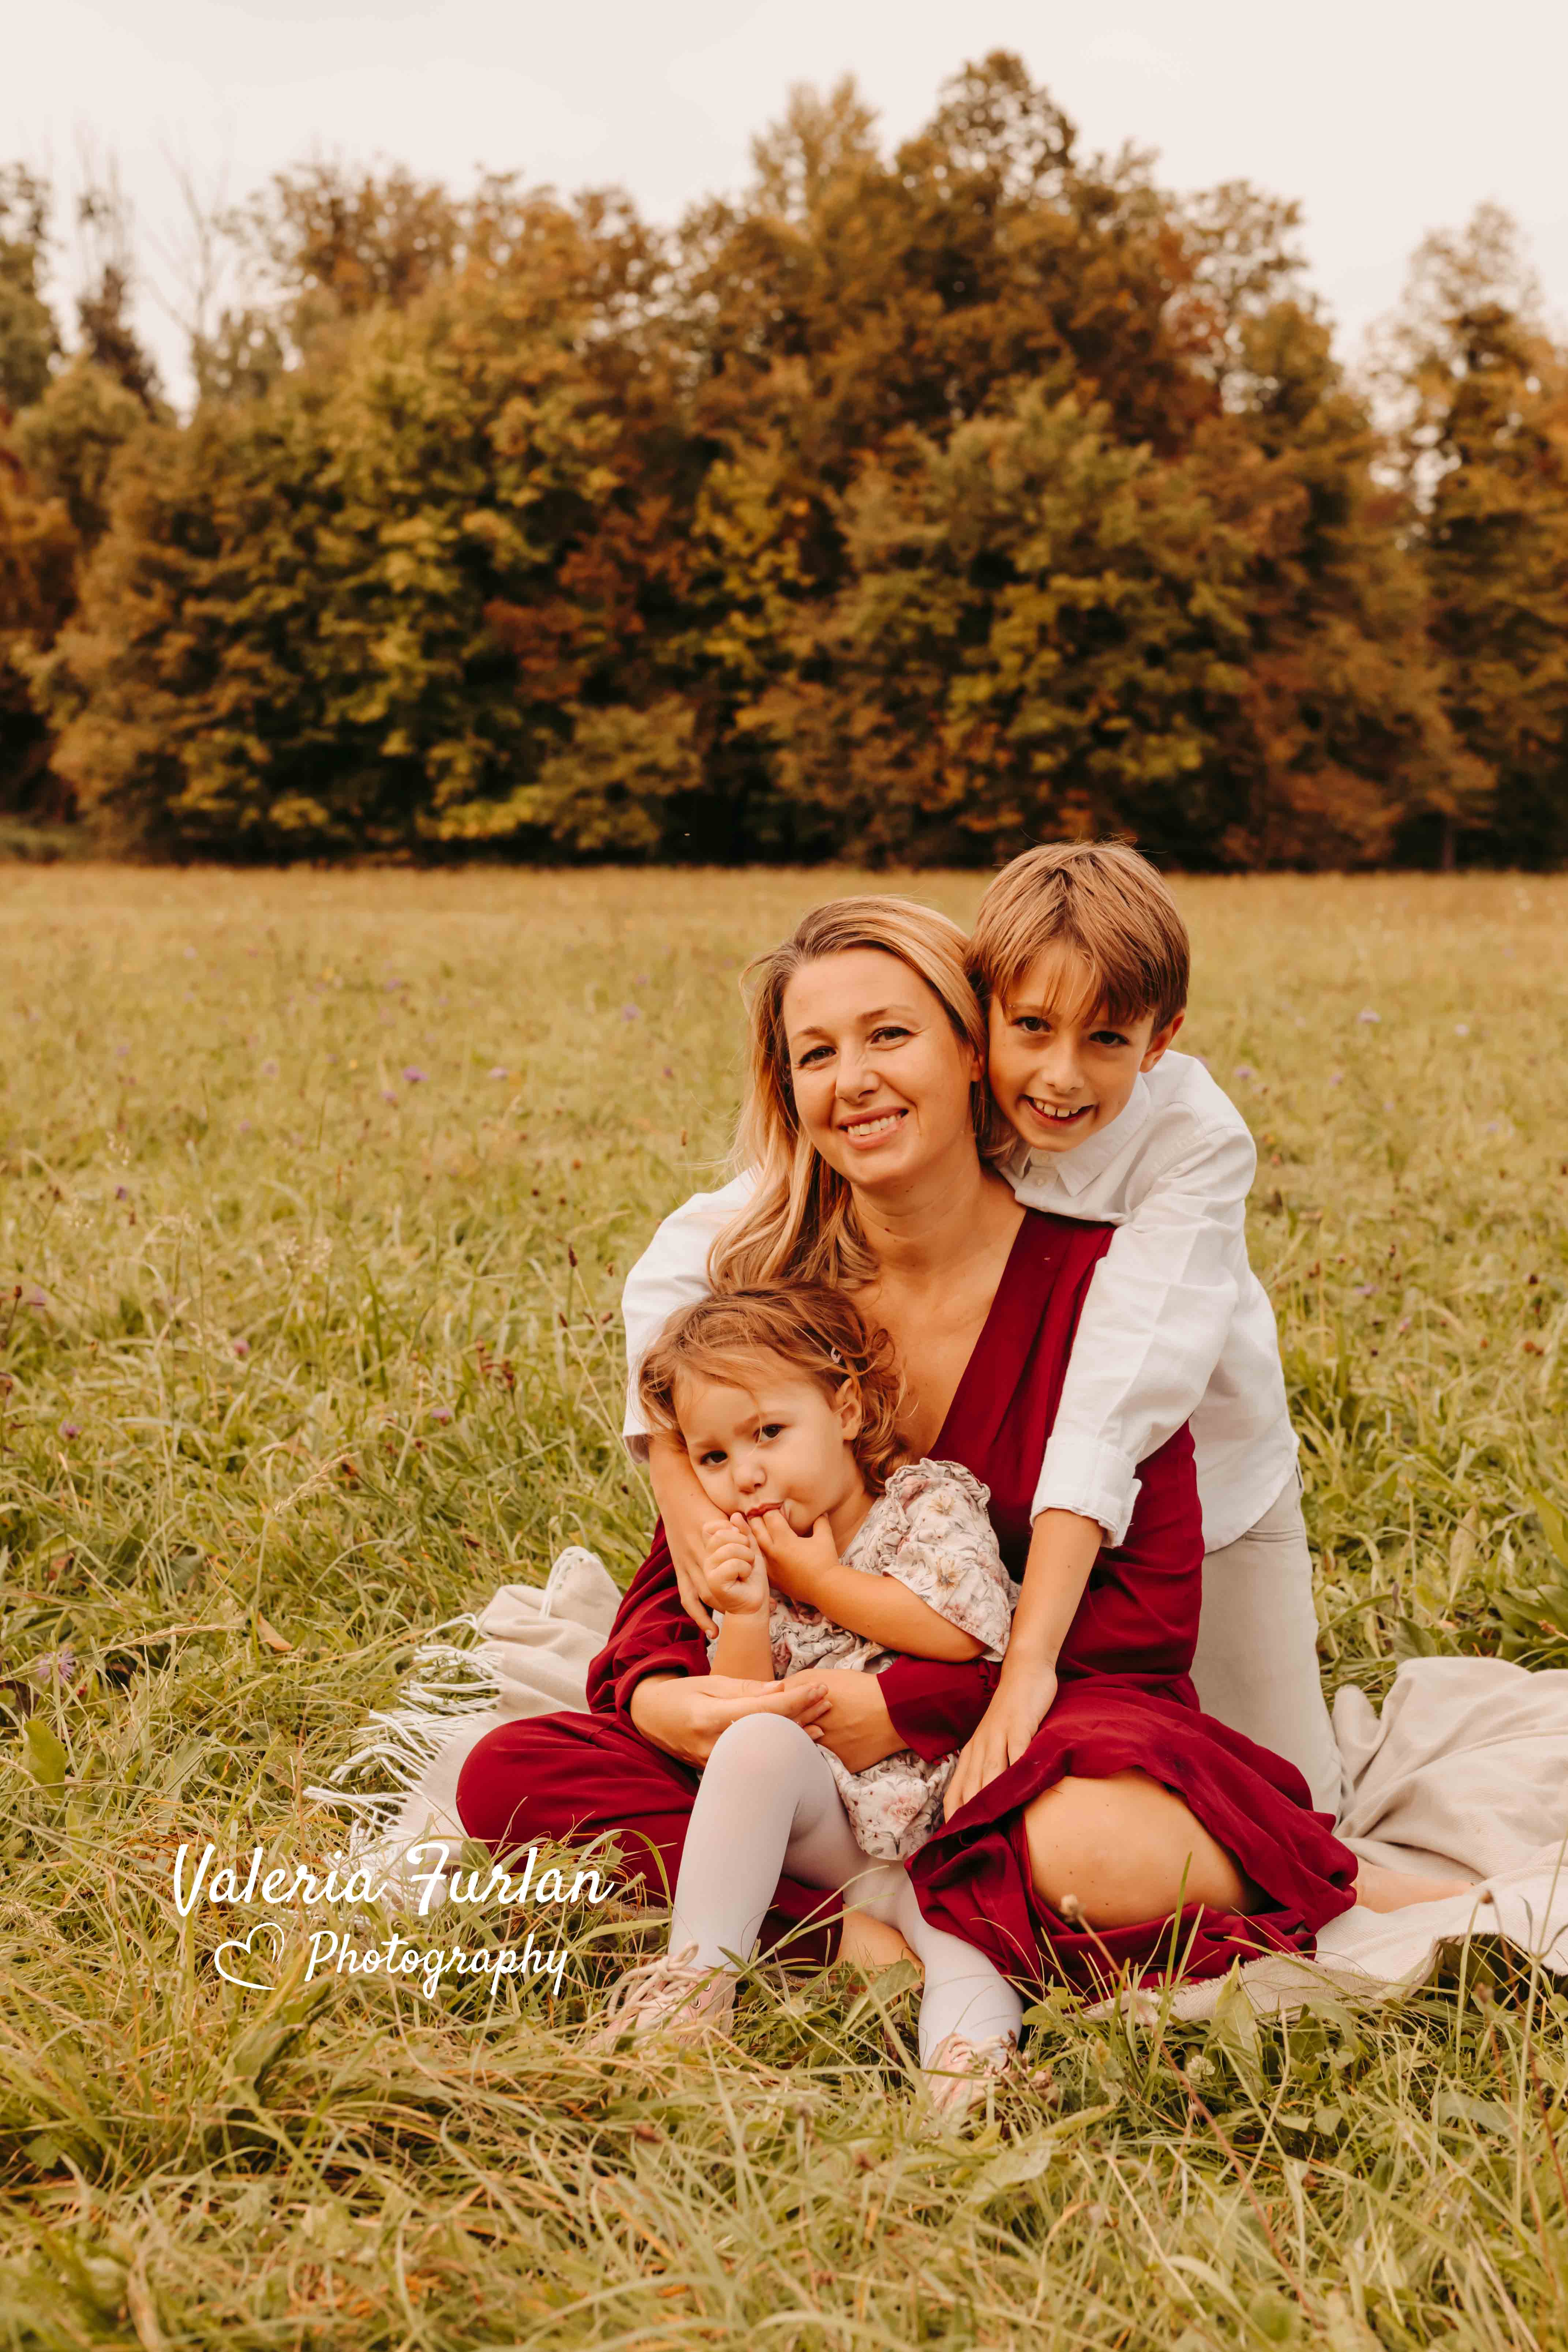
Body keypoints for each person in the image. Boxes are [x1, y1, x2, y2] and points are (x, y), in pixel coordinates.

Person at [456, 896, 1447, 2024]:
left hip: (1046, 1706)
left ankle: (871, 1901)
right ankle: (861, 1932)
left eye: (889, 1035)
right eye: (815, 1054)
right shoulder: (780, 1301)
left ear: (971, 1050)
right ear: (789, 1092)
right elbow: (689, 1561)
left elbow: (1138, 1630)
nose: (854, 1080)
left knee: (1096, 1849)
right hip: (811, 1755)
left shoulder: (1104, 1288)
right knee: (509, 1776)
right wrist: (660, 1700)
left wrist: (918, 1705)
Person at [621, 842, 1344, 1817]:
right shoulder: (942, 1109)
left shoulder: (1184, 1138)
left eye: (1104, 1039)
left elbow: (1110, 1403)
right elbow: (681, 1262)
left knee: (1295, 1802)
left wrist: (1024, 1668)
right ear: (985, 1020)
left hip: (1194, 1492)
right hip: (963, 1548)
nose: (1056, 1077)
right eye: (1031, 1027)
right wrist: (685, 1507)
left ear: (1159, 1037)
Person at [590, 1282, 1026, 2113]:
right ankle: (692, 1995)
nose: (745, 1474)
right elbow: (743, 1726)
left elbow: (959, 1629)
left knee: (969, 1959)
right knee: (756, 1741)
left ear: (849, 1410)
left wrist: (819, 1580)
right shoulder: (753, 1553)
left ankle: (967, 2080)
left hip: (947, 1834)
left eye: (769, 1433)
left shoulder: (928, 1505)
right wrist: (748, 1613)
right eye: (713, 1457)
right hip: (828, 1835)